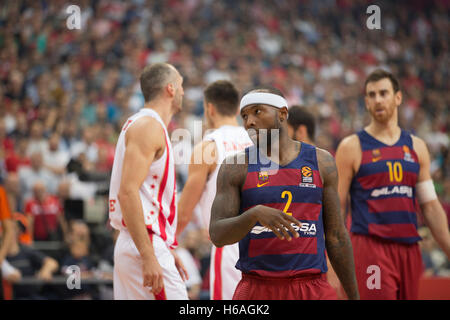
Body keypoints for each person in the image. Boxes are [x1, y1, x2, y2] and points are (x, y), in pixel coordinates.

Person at [209, 87, 359, 300]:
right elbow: (217, 234)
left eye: (257, 112)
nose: (249, 121)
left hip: (312, 287)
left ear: (282, 114)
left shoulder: (322, 162)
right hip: (257, 288)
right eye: (244, 116)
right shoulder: (235, 166)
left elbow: (336, 237)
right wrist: (253, 215)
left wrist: (354, 296)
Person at [335, 69, 450, 300]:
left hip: (408, 248)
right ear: (366, 102)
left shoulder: (416, 147)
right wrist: (333, 261)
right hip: (370, 247)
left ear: (398, 98)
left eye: (383, 93)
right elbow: (335, 208)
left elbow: (429, 205)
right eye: (372, 94)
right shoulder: (351, 146)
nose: (378, 99)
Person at [109, 63, 188, 300]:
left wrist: (161, 247)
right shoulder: (148, 126)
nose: (184, 91)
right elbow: (127, 192)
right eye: (181, 84)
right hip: (143, 243)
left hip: (140, 240)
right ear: (171, 89)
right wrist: (149, 253)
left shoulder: (145, 124)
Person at [176, 80, 252, 300]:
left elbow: (184, 211)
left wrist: (167, 244)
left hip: (228, 243)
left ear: (209, 108)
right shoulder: (258, 143)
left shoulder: (208, 147)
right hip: (263, 244)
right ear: (238, 109)